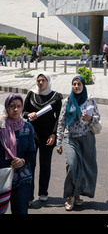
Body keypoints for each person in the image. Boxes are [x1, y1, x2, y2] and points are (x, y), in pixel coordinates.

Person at [56, 75, 100, 211]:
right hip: (71, 138)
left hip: (87, 137)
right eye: (74, 84)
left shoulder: (89, 99)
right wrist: (59, 142)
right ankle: (71, 196)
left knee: (85, 167)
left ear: (83, 85)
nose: (76, 86)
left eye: (79, 84)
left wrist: (90, 118)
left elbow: (98, 117)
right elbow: (61, 122)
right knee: (72, 164)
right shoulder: (67, 101)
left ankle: (78, 194)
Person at [23, 72, 63, 204]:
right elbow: (23, 112)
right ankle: (28, 196)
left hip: (48, 136)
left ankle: (43, 192)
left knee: (45, 165)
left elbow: (59, 118)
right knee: (30, 165)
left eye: (43, 80)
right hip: (32, 135)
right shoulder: (31, 94)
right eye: (38, 80)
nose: (40, 83)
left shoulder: (55, 96)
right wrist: (30, 114)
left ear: (48, 81)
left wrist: (54, 134)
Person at [0, 93, 35, 214]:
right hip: (2, 177)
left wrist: (22, 161)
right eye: (12, 106)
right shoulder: (1, 127)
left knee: (20, 210)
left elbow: (31, 151)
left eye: (19, 106)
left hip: (22, 177)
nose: (15, 109)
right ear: (6, 107)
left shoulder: (28, 127)